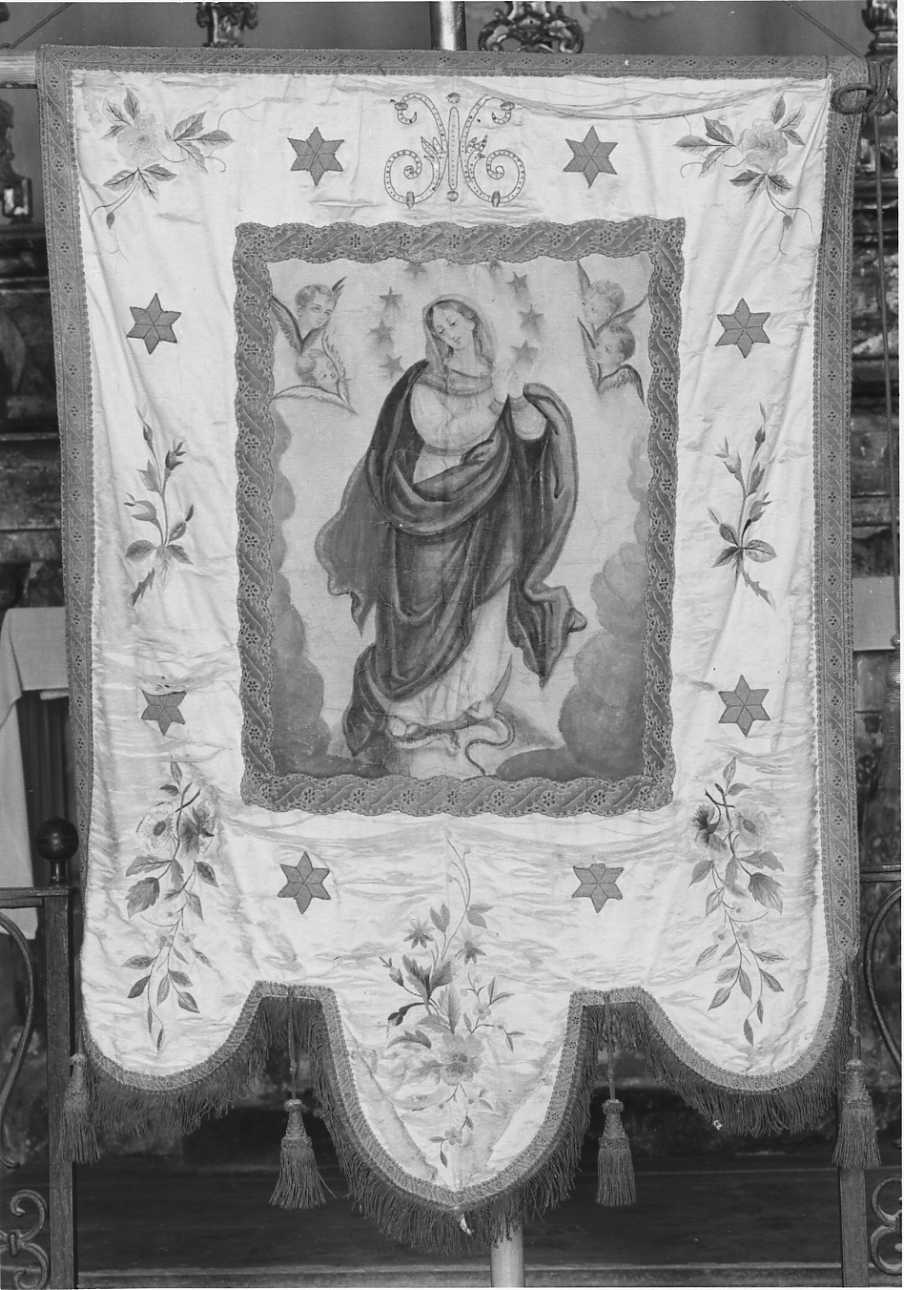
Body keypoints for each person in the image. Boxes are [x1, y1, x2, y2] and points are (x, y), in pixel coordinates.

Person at [316, 296, 586, 771]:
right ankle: (409, 709)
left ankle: (473, 703)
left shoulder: (499, 375)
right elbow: (442, 434)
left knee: (486, 603)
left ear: (473, 321)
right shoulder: (425, 381)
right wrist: (497, 400)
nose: (449, 334)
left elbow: (529, 436)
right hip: (430, 506)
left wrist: (518, 399)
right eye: (439, 328)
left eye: (454, 323)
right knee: (422, 608)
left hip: (491, 510)